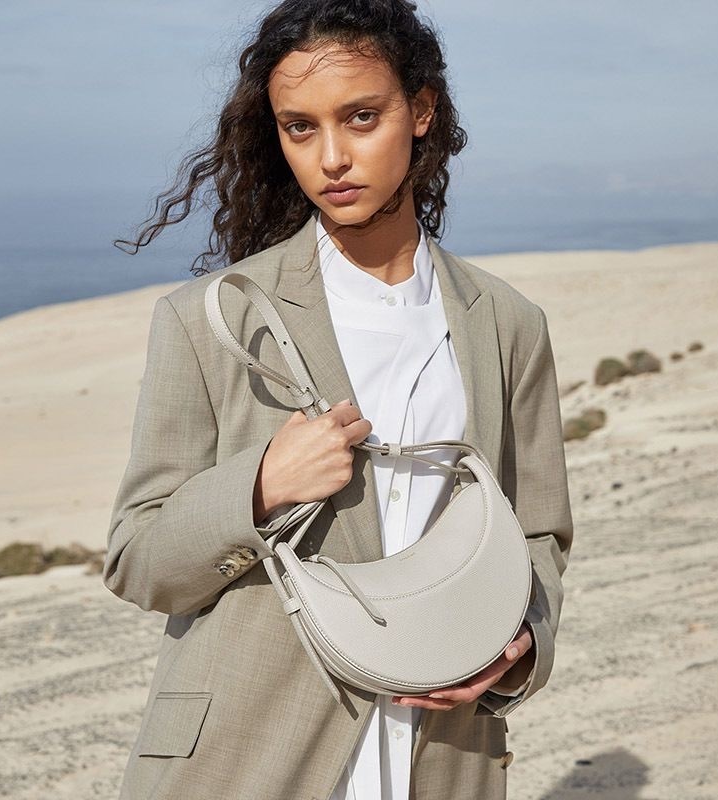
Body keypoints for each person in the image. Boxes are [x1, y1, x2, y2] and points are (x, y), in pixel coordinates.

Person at [103, 1, 573, 798]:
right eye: (300, 127)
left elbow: (538, 533)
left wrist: (519, 644)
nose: (331, 158)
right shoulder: (211, 319)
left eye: (361, 117)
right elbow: (138, 559)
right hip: (247, 759)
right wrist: (259, 487)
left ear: (420, 111)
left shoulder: (508, 324)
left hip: (443, 754)